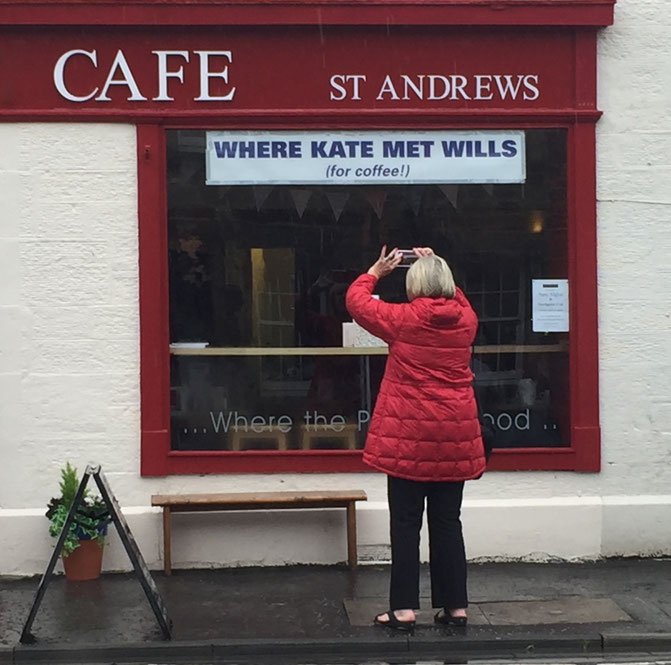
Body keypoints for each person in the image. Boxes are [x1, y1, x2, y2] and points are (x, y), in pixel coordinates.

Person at [345, 246, 486, 632]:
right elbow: (461, 301)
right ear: (448, 283)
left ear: (414, 285)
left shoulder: (403, 319)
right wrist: (438, 261)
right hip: (454, 436)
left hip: (408, 438)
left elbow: (356, 303)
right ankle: (456, 607)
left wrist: (375, 270)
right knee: (447, 523)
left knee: (406, 524)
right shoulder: (465, 321)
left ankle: (404, 610)